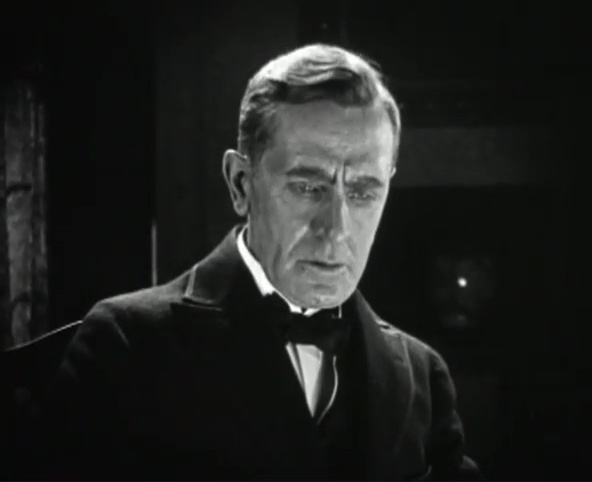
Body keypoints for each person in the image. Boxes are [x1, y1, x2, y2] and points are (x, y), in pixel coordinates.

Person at [33, 44, 481, 481]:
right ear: (241, 183)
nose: (336, 227)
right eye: (308, 187)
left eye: (363, 192)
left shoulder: (422, 376)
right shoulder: (125, 347)